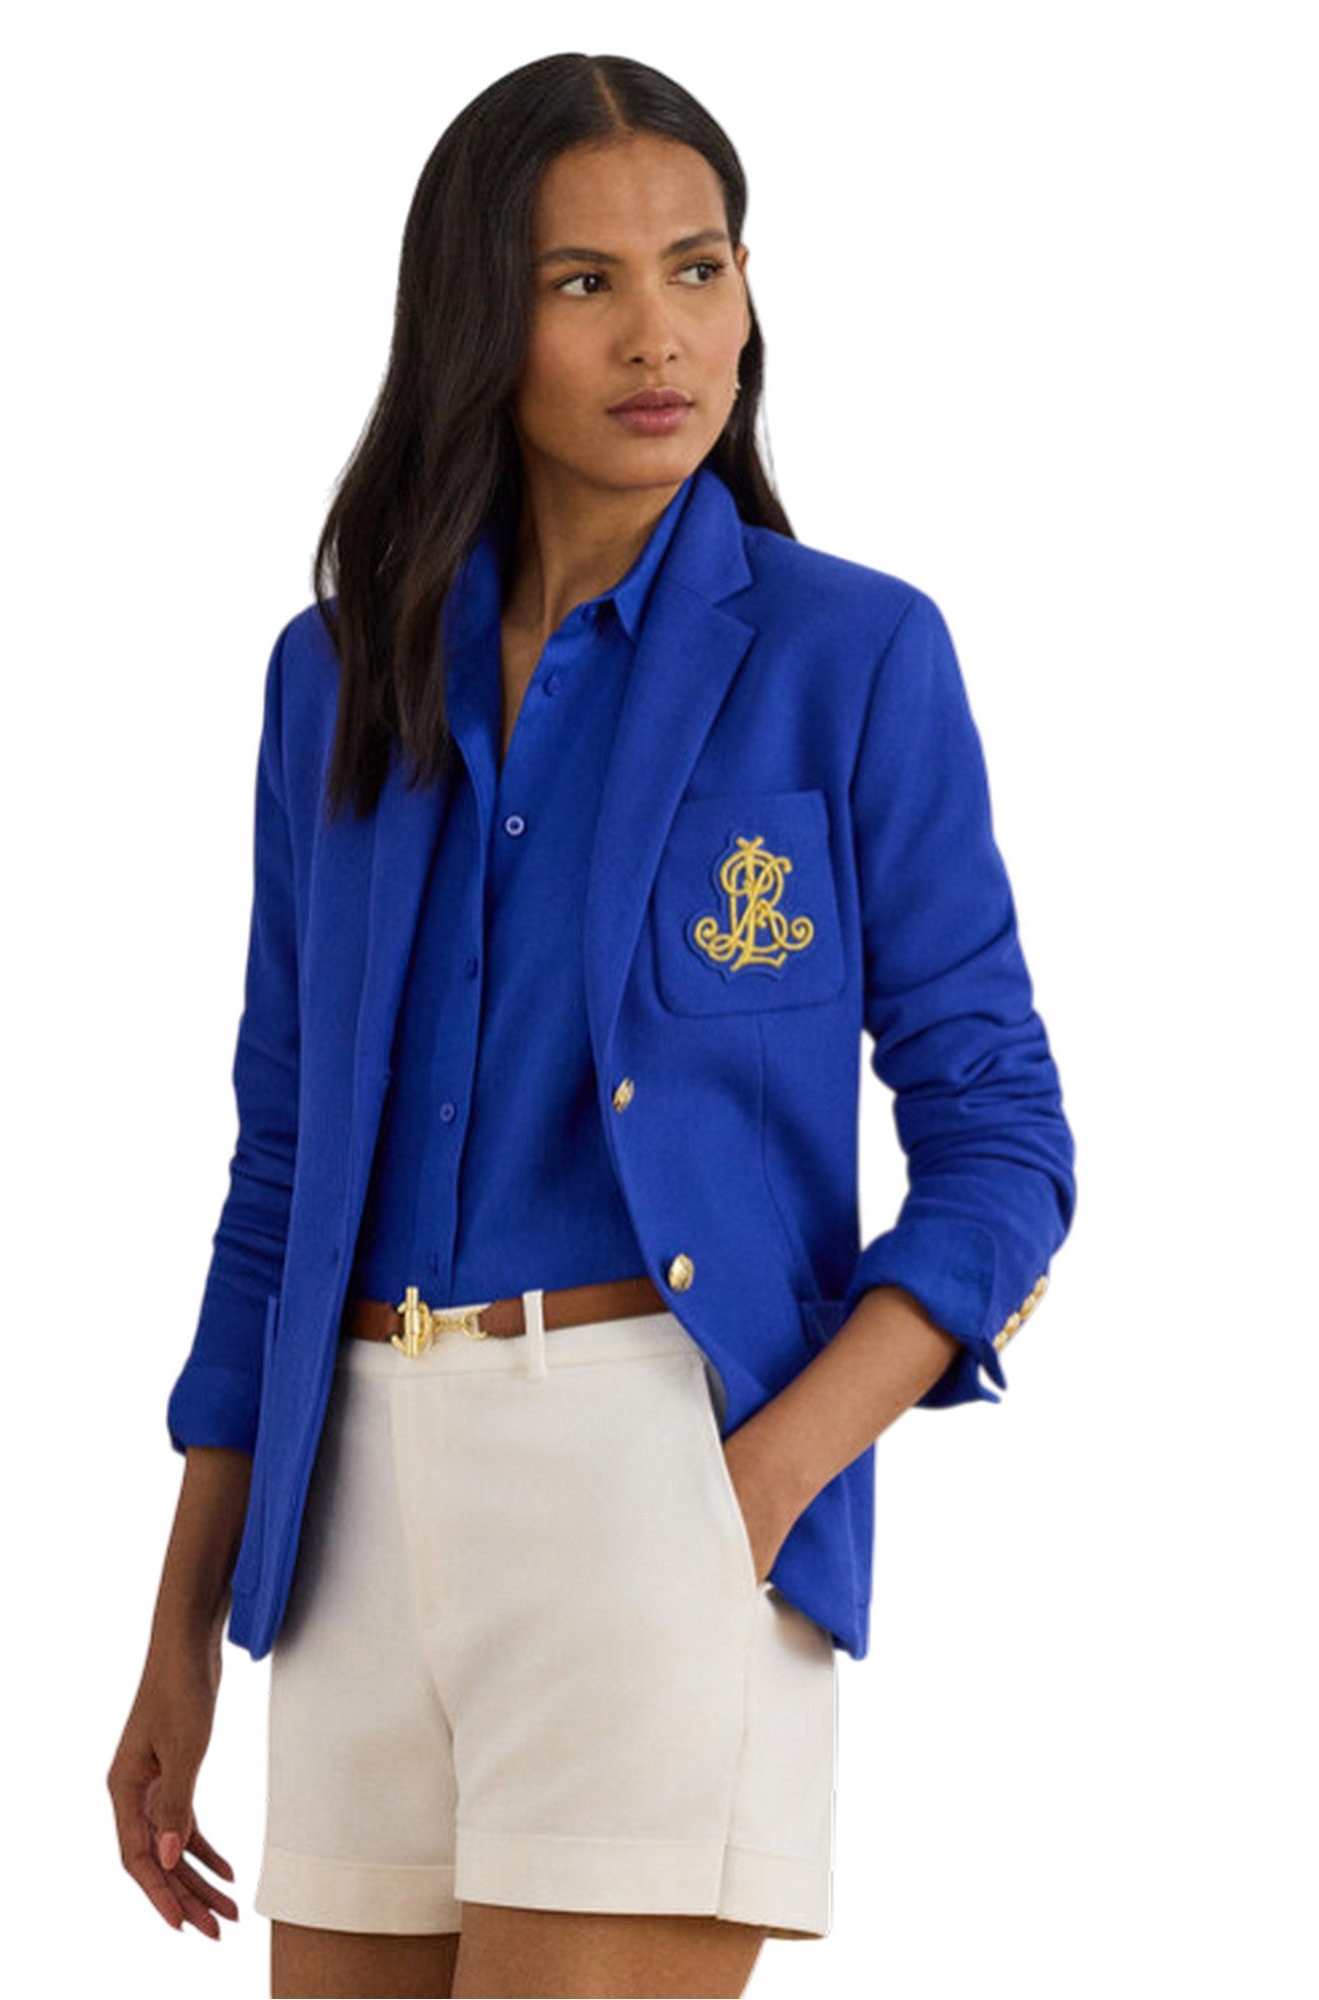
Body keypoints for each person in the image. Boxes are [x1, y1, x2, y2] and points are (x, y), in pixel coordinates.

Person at [108, 51, 1076, 2000]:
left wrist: (764, 1479)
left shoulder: (850, 656)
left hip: (660, 1470)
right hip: (352, 1503)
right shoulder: (339, 679)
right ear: (479, 319)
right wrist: (182, 1624)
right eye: (585, 283)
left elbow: (1003, 1143)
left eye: (699, 268)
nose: (662, 336)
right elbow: (283, 1165)